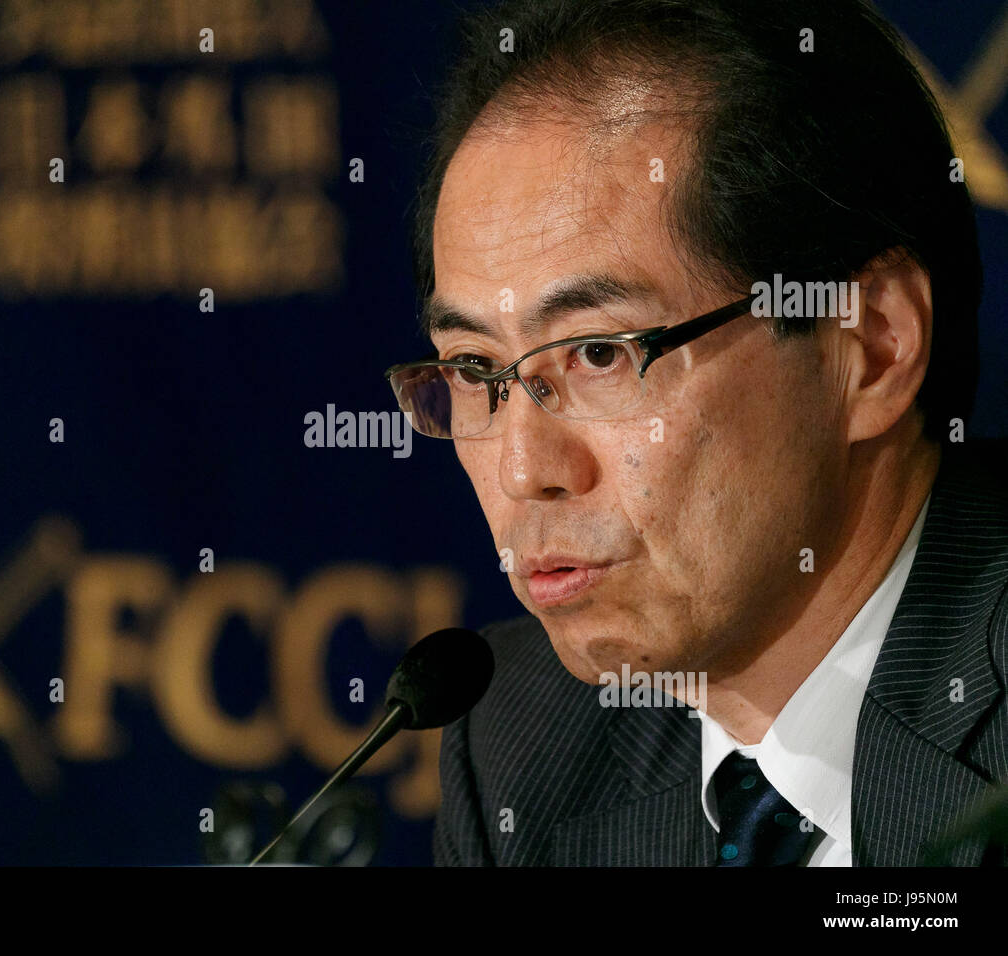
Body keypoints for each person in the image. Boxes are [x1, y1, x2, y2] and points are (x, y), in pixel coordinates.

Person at [386, 0, 1008, 865]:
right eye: (476, 372)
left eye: (598, 354)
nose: (525, 470)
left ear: (870, 348)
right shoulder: (525, 746)